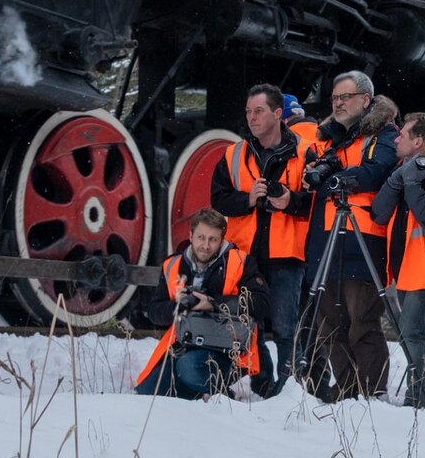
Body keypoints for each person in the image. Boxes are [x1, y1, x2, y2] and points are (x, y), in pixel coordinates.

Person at [209, 83, 314, 398]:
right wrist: (248, 200)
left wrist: (290, 201)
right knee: (249, 323)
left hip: (287, 255)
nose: (251, 117)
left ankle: (288, 389)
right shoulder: (234, 153)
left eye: (258, 111)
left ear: (278, 114)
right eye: (248, 111)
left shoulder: (305, 151)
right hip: (247, 256)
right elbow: (218, 199)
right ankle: (263, 379)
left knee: (285, 327)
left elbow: (317, 202)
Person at [303, 70, 399, 400]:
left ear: (365, 100)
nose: (338, 103)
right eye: (334, 98)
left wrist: (334, 179)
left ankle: (374, 391)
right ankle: (346, 388)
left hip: (363, 240)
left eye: (345, 97)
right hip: (327, 240)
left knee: (363, 321)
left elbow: (375, 172)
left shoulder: (382, 135)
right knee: (330, 324)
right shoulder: (329, 140)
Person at [136, 208, 270, 399]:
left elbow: (262, 304)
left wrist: (214, 304)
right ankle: (197, 392)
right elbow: (154, 312)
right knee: (148, 392)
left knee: (188, 367)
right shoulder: (173, 265)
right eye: (201, 237)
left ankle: (223, 399)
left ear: (222, 239)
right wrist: (178, 306)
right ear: (190, 236)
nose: (205, 245)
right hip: (184, 345)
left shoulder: (241, 262)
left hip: (228, 350)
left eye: (213, 239)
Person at [370, 112, 425, 408]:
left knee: (411, 333)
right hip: (406, 266)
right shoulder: (406, 171)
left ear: (418, 141)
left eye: (402, 135)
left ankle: (417, 398)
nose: (396, 139)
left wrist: (413, 184)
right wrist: (398, 181)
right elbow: (378, 213)